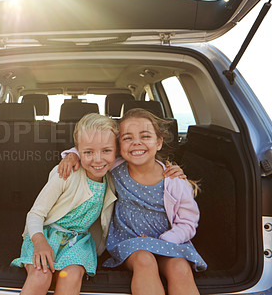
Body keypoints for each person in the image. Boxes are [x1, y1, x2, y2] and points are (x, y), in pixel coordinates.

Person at [58, 108, 206, 295]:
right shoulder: (115, 166)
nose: (136, 142)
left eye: (145, 136)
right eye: (127, 138)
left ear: (158, 142)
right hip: (129, 239)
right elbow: (93, 149)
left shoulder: (176, 182)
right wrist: (73, 155)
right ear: (119, 146)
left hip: (169, 240)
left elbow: (187, 222)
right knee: (145, 261)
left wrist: (164, 241)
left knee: (180, 269)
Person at [11, 113, 119, 295]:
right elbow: (35, 214)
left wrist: (170, 169)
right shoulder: (65, 173)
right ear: (78, 150)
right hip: (44, 235)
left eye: (106, 151)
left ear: (117, 150)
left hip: (78, 241)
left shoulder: (113, 176)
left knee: (71, 277)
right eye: (88, 152)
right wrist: (40, 243)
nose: (98, 159)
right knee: (40, 275)